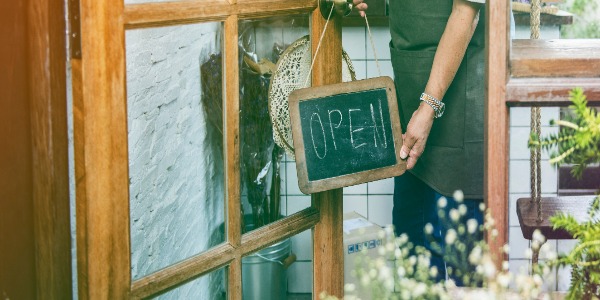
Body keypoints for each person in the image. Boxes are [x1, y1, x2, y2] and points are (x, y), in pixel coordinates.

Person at [354, 0, 486, 284]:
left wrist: (428, 108)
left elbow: (466, 13)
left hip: (459, 103)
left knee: (467, 267)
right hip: (411, 102)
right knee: (412, 250)